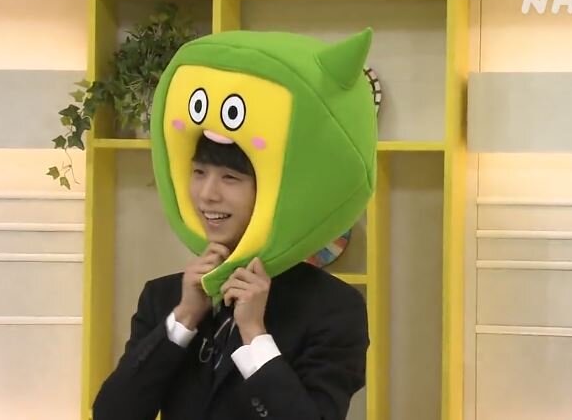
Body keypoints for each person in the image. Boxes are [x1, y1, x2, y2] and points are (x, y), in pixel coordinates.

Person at [92, 134, 370, 420]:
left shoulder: (333, 307)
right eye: (199, 172)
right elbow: (112, 415)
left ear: (274, 192)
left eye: (230, 177)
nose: (207, 194)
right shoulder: (163, 297)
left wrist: (254, 334)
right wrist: (183, 319)